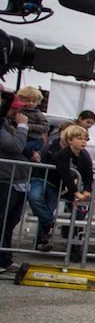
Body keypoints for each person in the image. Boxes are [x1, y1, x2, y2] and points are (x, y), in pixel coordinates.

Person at [27, 124, 93, 251]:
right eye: (80, 138)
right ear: (70, 140)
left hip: (61, 186)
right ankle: (48, 226)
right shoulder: (61, 154)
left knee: (56, 208)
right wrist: (76, 192)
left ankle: (48, 238)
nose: (83, 142)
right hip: (47, 180)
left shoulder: (84, 156)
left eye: (86, 139)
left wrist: (86, 190)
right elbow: (65, 174)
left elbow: (88, 175)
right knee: (35, 197)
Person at [0, 93, 29, 272]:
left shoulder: (8, 124)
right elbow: (14, 146)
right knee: (2, 221)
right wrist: (23, 126)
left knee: (10, 222)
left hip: (17, 179)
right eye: (14, 108)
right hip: (5, 179)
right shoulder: (4, 126)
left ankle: (5, 259)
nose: (18, 112)